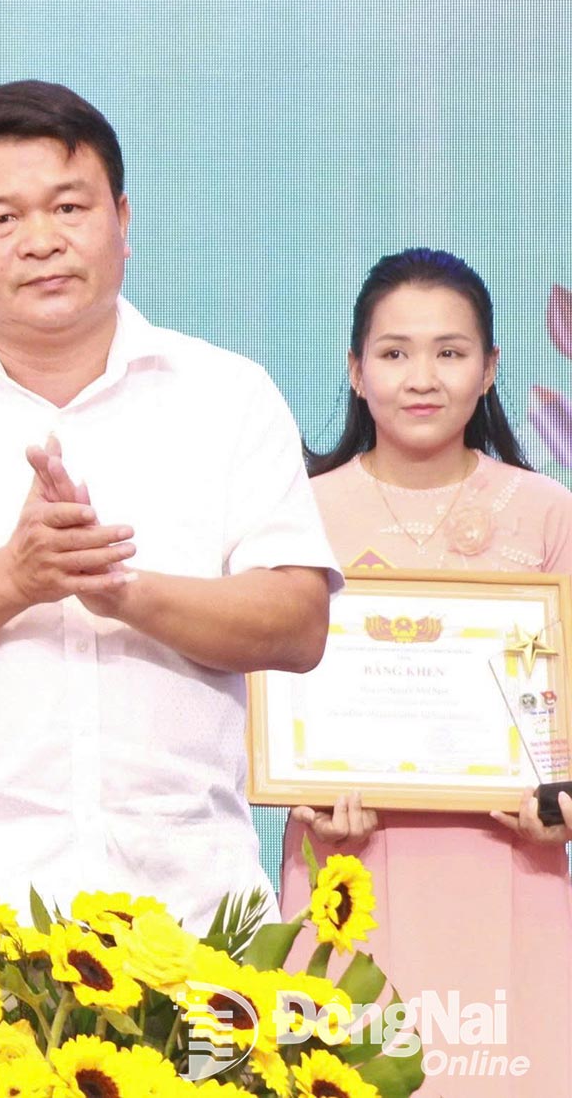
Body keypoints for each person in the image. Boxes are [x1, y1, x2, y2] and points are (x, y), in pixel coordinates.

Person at [0, 80, 339, 931]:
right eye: (2, 219)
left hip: (196, 912)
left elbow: (298, 623)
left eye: (69, 206)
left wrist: (122, 590)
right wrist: (15, 579)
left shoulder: (229, 395)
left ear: (123, 222)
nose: (41, 241)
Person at [281, 248, 571, 1094]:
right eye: (395, 352)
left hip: (511, 862)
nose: (422, 376)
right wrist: (289, 782)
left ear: (489, 369)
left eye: (450, 352)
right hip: (344, 859)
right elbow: (251, 689)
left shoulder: (550, 513)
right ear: (355, 369)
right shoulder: (296, 512)